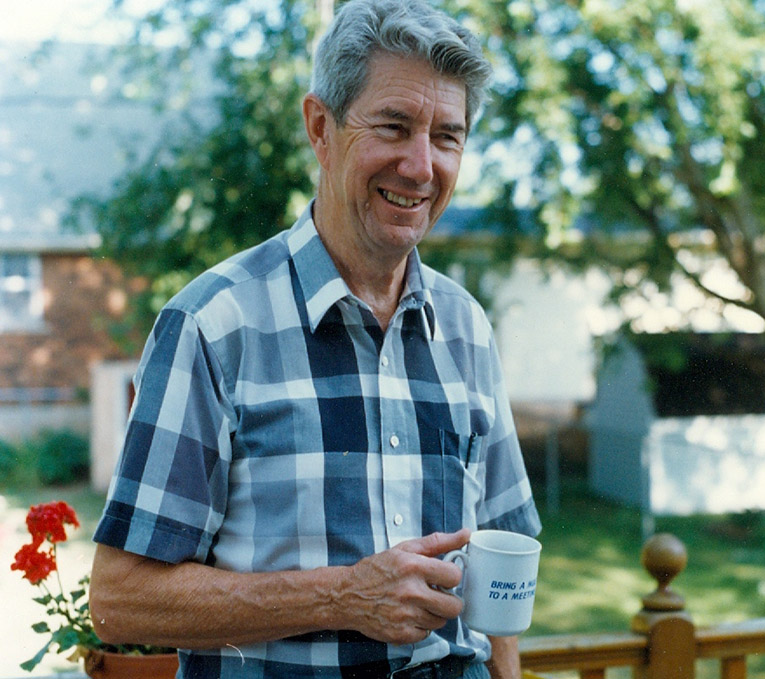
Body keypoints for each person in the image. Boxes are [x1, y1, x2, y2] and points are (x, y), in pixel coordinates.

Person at [87, 1, 541, 677]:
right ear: (320, 126)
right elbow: (121, 598)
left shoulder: (467, 326)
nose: (421, 166)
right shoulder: (213, 324)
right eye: (394, 126)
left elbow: (504, 567)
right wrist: (344, 594)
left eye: (447, 136)